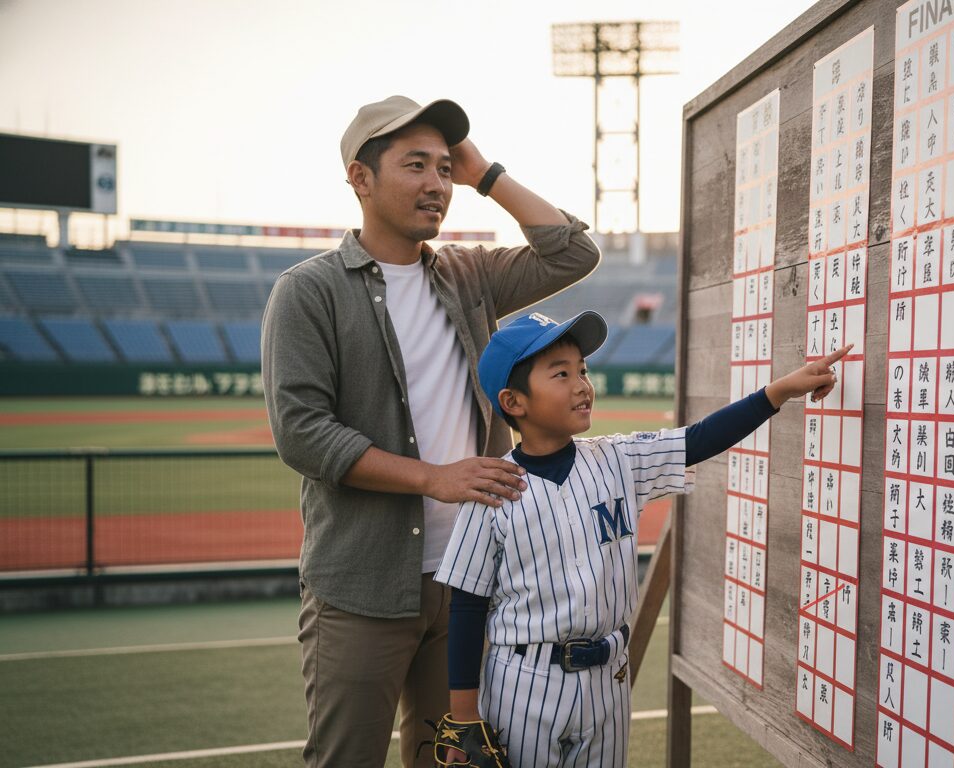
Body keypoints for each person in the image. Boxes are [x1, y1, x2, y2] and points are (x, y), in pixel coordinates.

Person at [261, 95, 601, 768]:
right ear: (360, 178)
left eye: (445, 168)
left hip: (473, 580)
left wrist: (486, 174)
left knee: (453, 760)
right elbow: (302, 432)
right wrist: (434, 479)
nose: (437, 184)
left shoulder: (469, 274)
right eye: (415, 165)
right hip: (362, 585)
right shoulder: (308, 291)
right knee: (346, 759)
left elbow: (573, 253)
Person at [434, 310, 851, 767]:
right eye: (561, 374)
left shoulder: (619, 459)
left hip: (609, 678)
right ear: (513, 402)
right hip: (525, 679)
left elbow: (699, 439)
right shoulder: (491, 490)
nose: (582, 385)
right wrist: (464, 716)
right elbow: (468, 604)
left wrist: (778, 392)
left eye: (583, 371)